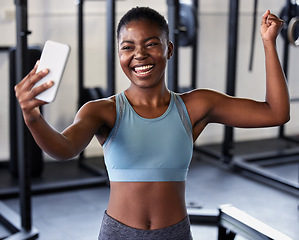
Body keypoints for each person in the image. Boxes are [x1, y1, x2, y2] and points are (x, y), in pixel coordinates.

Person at [15, 6, 289, 240]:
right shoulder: (102, 111)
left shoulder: (196, 106)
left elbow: (275, 113)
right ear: (120, 55)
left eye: (151, 44)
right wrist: (32, 116)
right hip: (118, 233)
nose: (139, 54)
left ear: (169, 49)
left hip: (176, 233)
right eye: (128, 47)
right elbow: (64, 149)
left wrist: (268, 43)